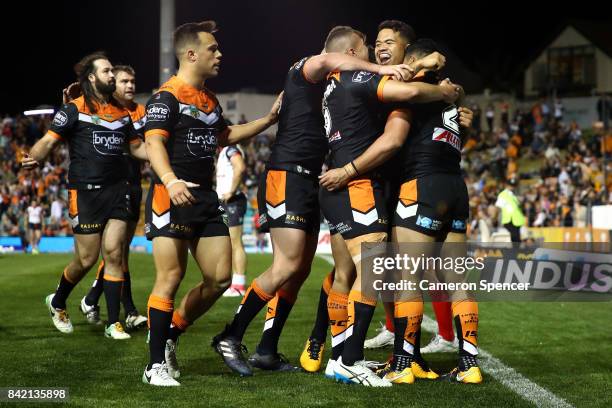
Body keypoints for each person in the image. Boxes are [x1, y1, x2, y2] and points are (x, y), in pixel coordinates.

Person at [211, 25, 416, 376]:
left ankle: (266, 350)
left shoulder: (336, 87)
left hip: (308, 180)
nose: (370, 54)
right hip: (286, 174)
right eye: (366, 49)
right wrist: (380, 68)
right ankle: (230, 335)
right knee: (287, 266)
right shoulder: (306, 68)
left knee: (300, 270)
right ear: (350, 54)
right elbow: (327, 58)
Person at [142, 20, 282, 386]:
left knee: (219, 278)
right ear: (191, 54)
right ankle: (155, 364)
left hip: (204, 197)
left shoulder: (208, 100)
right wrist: (170, 180)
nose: (219, 55)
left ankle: (170, 334)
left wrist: (268, 120)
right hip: (169, 195)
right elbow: (154, 143)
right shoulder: (166, 96)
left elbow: (226, 135)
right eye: (212, 49)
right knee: (169, 278)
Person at [316, 30, 460, 386]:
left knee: (382, 272)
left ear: (405, 50)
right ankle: (345, 355)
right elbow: (400, 120)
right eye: (374, 44)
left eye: (387, 43)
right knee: (365, 269)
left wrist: (449, 102)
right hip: (360, 182)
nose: (378, 49)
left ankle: (354, 352)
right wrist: (440, 87)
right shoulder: (370, 80)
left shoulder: (351, 82)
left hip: (373, 183)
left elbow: (426, 81)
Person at [22, 52, 148, 340]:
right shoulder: (73, 110)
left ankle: (113, 323)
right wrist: (35, 157)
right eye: (106, 72)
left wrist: (164, 156)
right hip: (86, 193)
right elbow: (47, 141)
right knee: (87, 259)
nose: (112, 76)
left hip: (118, 191)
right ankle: (57, 301)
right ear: (92, 78)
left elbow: (138, 149)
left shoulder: (121, 113)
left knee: (115, 253)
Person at [79, 65, 148, 330]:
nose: (130, 86)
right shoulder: (99, 110)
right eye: (124, 81)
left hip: (132, 186)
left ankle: (93, 298)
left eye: (133, 81)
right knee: (115, 252)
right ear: (112, 84)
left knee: (119, 252)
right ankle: (128, 311)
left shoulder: (140, 112)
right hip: (107, 189)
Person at [216, 143, 248, 297]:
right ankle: (234, 284)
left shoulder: (230, 149)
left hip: (233, 200)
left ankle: (239, 286)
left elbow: (240, 167)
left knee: (236, 243)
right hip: (226, 201)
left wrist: (231, 191)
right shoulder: (224, 152)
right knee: (230, 243)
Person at [495, 178, 525, 242]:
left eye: (513, 186)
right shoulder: (502, 194)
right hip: (509, 219)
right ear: (506, 185)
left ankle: (516, 251)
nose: (512, 187)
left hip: (517, 220)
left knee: (517, 238)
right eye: (511, 185)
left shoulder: (514, 196)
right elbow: (498, 208)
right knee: (514, 237)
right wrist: (497, 220)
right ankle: (515, 251)